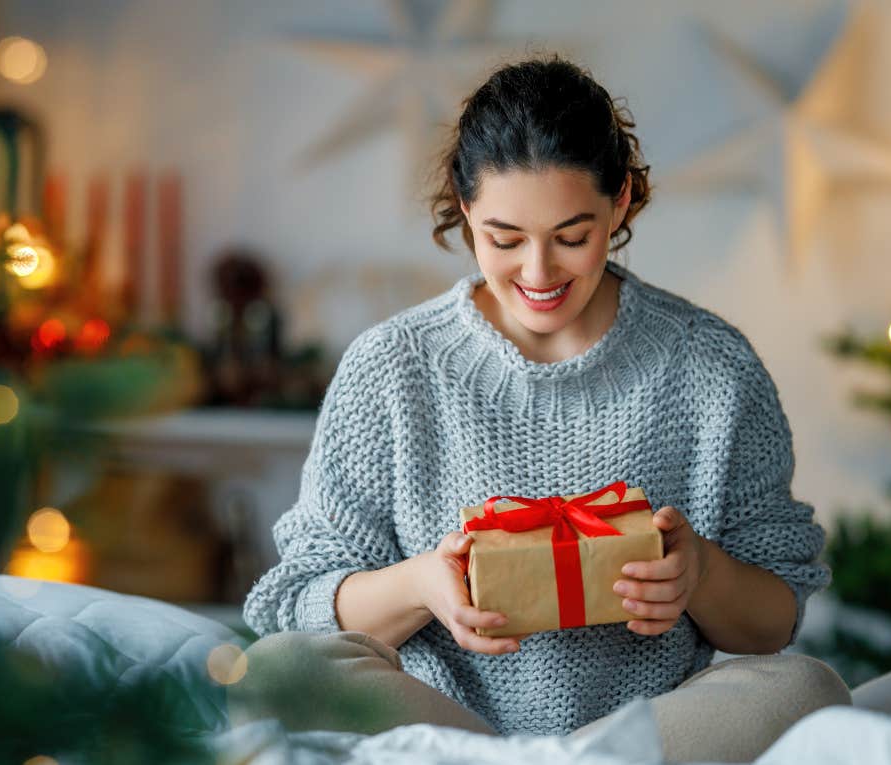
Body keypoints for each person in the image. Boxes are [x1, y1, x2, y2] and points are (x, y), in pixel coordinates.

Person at [240, 53, 851, 763]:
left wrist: (701, 575)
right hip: (446, 733)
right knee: (274, 673)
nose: (537, 274)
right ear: (464, 208)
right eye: (504, 239)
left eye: (571, 236)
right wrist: (420, 586)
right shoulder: (392, 366)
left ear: (620, 200)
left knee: (810, 691)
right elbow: (296, 601)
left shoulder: (711, 367)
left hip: (644, 732)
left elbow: (775, 620)